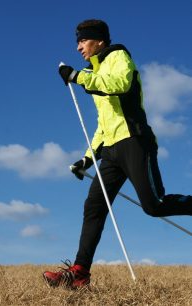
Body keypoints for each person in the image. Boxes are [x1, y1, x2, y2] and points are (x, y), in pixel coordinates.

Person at [43, 19, 192, 290]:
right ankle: (79, 273)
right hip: (111, 151)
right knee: (94, 206)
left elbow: (120, 84)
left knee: (154, 205)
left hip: (135, 142)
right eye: (77, 42)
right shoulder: (94, 72)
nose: (78, 47)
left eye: (82, 41)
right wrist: (87, 159)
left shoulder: (119, 56)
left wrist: (78, 77)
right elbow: (104, 124)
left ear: (99, 40)